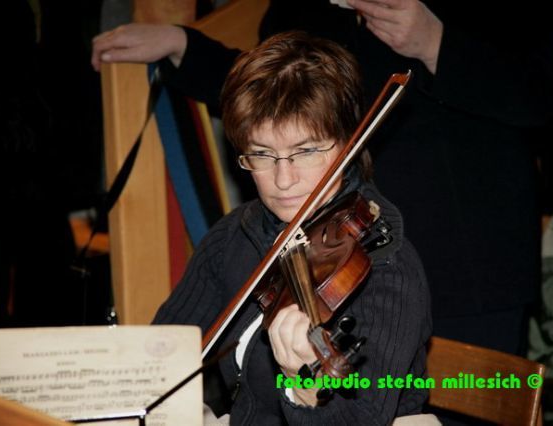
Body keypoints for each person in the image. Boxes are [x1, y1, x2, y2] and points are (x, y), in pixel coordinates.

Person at [92, 0, 553, 356]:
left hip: (471, 259)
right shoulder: (232, 239)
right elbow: (282, 95)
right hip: (338, 251)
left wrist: (436, 43)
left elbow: (538, 95)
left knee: (469, 397)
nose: (282, 176)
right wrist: (184, 46)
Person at [151, 31, 431, 424]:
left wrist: (303, 388)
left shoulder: (385, 265)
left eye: (306, 151)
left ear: (348, 142)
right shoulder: (235, 235)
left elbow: (361, 417)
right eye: (262, 154)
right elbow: (162, 350)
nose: (283, 180)